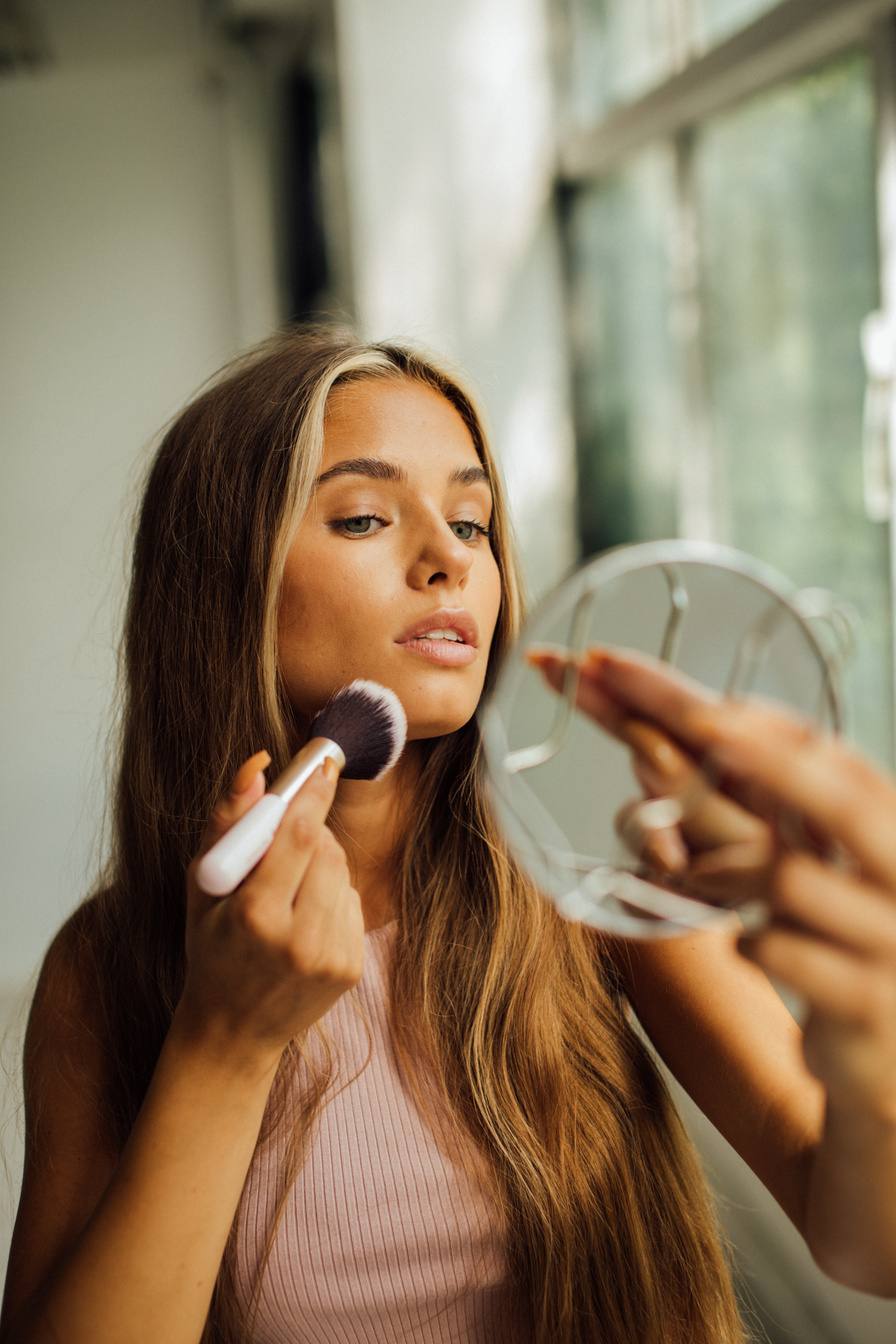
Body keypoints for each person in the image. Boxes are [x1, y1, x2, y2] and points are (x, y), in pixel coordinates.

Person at [1, 327, 895, 1344]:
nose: (447, 563)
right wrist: (223, 1042)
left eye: (471, 523)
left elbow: (865, 1237)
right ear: (221, 583)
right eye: (366, 516)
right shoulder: (103, 970)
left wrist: (865, 1016)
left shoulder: (580, 869)